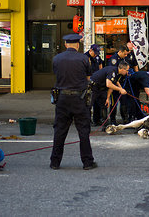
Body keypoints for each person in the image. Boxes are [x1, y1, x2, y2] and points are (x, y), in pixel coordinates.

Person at [50, 34, 97, 170]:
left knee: (59, 130)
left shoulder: (56, 59)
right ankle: (87, 162)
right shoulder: (84, 58)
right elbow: (88, 77)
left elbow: (57, 74)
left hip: (62, 98)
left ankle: (55, 162)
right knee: (83, 131)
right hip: (79, 98)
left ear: (66, 44)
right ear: (77, 45)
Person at [89, 61, 130, 126]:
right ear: (122, 69)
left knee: (105, 104)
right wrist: (120, 89)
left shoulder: (117, 74)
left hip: (102, 89)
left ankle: (105, 124)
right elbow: (109, 84)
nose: (127, 72)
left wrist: (108, 98)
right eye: (127, 70)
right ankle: (86, 123)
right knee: (88, 105)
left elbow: (113, 85)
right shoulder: (112, 71)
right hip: (93, 87)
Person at [107, 45, 130, 124]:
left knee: (124, 101)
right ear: (120, 52)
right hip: (114, 83)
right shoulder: (113, 59)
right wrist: (120, 88)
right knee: (114, 103)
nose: (126, 56)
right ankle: (112, 120)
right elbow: (113, 74)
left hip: (123, 82)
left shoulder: (124, 59)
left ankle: (125, 119)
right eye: (125, 54)